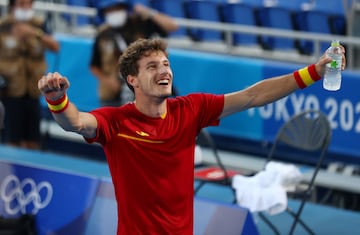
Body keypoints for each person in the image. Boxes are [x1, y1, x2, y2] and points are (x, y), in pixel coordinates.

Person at [38, 38, 345, 234]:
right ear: (133, 80)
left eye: (167, 64)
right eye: (152, 66)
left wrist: (314, 72)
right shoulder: (116, 121)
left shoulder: (192, 108)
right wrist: (57, 99)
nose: (164, 71)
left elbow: (253, 96)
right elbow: (75, 122)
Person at [90, 0, 178, 106]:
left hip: (147, 88)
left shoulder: (140, 24)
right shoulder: (102, 35)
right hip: (114, 94)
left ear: (125, 8)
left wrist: (147, 11)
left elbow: (172, 26)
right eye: (109, 10)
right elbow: (94, 65)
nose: (114, 12)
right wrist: (109, 82)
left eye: (117, 8)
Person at [0, 0, 59, 149]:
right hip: (10, 89)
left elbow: (55, 47)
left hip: (34, 88)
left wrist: (34, 33)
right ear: (12, 7)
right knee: (12, 137)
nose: (26, 8)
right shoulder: (3, 26)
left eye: (28, 4)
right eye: (21, 4)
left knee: (33, 138)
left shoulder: (39, 24)